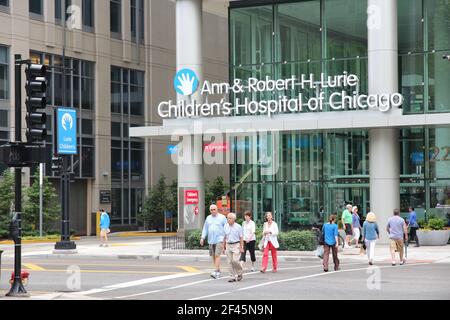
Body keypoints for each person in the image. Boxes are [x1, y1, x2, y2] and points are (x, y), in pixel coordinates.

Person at [200, 204, 227, 279]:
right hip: (211, 240)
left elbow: (226, 227)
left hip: (220, 239)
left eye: (214, 209)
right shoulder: (208, 218)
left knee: (217, 255)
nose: (213, 211)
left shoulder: (222, 217)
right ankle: (218, 270)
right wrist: (202, 238)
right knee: (213, 256)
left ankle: (216, 271)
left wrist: (226, 239)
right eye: (211, 210)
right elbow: (205, 228)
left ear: (217, 209)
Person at [223, 213, 244, 282]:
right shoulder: (225, 226)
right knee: (229, 261)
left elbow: (241, 238)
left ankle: (239, 273)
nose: (228, 219)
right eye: (227, 218)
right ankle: (232, 276)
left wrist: (241, 247)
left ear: (234, 219)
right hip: (228, 245)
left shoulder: (238, 227)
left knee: (235, 261)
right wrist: (223, 247)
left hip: (236, 245)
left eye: (229, 218)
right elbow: (224, 237)